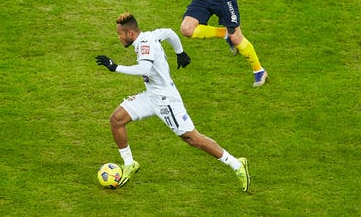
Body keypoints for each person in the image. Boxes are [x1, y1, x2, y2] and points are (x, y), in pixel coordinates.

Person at [95, 12, 250, 191]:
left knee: (192, 138)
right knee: (116, 120)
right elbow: (168, 32)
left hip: (165, 100)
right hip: (151, 95)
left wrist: (115, 67)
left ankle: (237, 165)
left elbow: (144, 67)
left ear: (130, 33)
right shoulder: (150, 35)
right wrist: (180, 52)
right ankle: (129, 163)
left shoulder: (145, 45)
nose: (119, 38)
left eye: (120, 34)